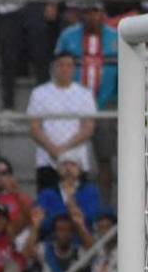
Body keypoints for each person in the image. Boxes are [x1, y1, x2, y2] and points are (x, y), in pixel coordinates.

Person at [53, 0, 119, 194]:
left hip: (105, 105)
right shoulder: (68, 36)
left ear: (103, 13)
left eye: (96, 11)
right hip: (73, 107)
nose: (92, 16)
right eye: (88, 12)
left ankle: (104, 206)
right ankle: (70, 202)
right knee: (70, 159)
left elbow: (126, 71)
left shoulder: (116, 37)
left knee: (104, 159)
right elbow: (57, 66)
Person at [26, 52, 97, 192]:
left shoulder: (84, 94)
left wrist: (64, 149)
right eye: (61, 65)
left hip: (77, 161)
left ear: (74, 69)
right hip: (47, 159)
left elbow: (88, 128)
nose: (65, 69)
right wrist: (52, 149)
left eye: (69, 66)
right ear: (53, 68)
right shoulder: (39, 93)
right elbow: (35, 127)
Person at [0, 0, 54, 111]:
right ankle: (8, 108)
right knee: (8, 59)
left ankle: (47, 105)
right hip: (6, 9)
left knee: (40, 56)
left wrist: (52, 2)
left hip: (34, 4)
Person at [35, 154, 102, 238]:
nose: (68, 168)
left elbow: (92, 217)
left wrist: (72, 202)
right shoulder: (47, 193)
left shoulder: (90, 191)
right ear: (58, 170)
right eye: (64, 164)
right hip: (53, 238)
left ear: (80, 170)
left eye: (73, 164)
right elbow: (43, 222)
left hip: (83, 238)